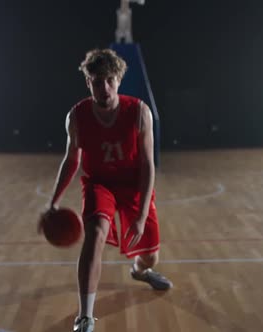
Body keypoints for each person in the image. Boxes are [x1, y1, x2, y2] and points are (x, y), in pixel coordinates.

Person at [40, 48, 172, 332]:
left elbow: (148, 165)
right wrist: (54, 201)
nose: (104, 87)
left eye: (110, 80)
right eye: (97, 81)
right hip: (99, 183)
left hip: (134, 183)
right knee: (95, 233)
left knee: (149, 254)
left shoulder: (139, 112)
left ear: (119, 80)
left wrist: (139, 216)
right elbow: (71, 160)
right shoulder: (76, 116)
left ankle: (140, 271)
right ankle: (85, 316)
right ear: (88, 82)